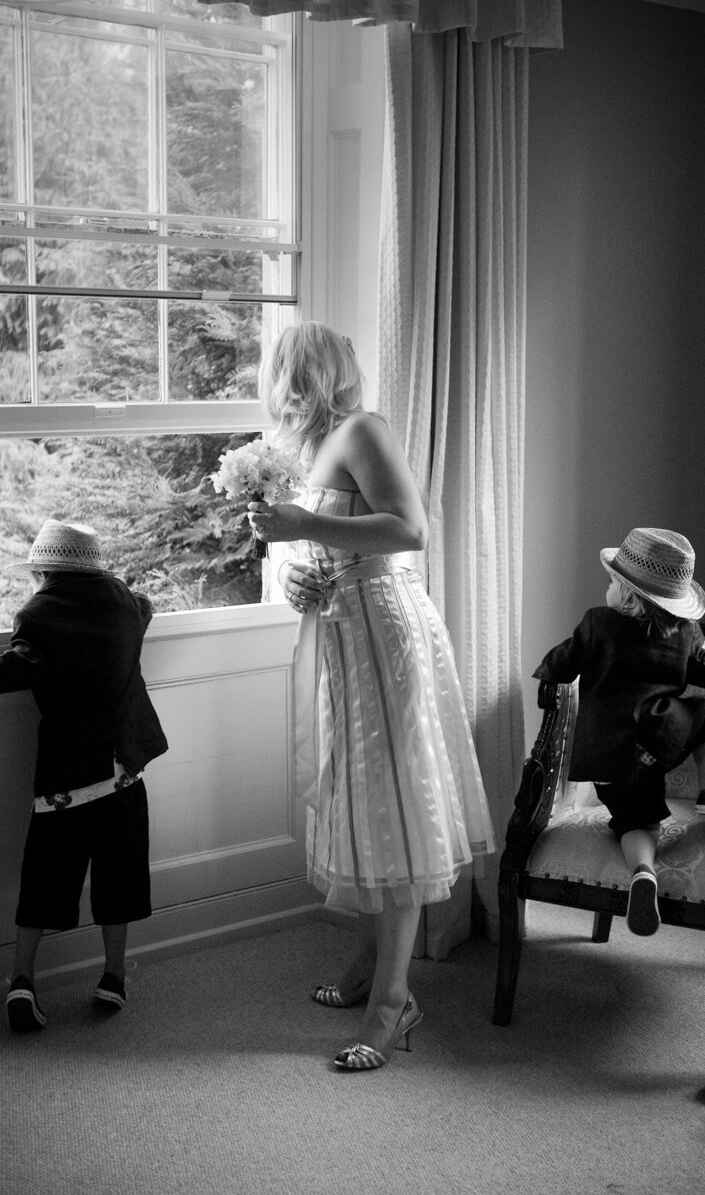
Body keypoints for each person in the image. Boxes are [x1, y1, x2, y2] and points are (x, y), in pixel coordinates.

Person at [247, 322, 495, 1071]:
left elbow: (409, 529)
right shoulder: (306, 449)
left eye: (285, 371)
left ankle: (395, 1003)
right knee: (358, 804)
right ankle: (365, 970)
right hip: (339, 635)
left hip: (386, 634)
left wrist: (303, 523)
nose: (278, 386)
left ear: (312, 374)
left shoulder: (362, 430)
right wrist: (297, 570)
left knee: (394, 808)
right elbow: (329, 545)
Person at [0, 520, 168, 1031]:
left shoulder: (38, 613)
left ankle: (21, 979)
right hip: (124, 769)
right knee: (118, 877)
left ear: (41, 570)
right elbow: (146, 609)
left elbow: (11, 670)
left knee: (45, 877)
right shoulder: (128, 602)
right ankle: (113, 975)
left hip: (68, 779)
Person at [533, 526, 705, 937]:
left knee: (635, 823)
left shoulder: (595, 624)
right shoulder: (684, 633)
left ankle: (643, 871)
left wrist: (550, 674)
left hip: (607, 757)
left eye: (612, 581)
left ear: (625, 592)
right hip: (658, 742)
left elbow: (557, 667)